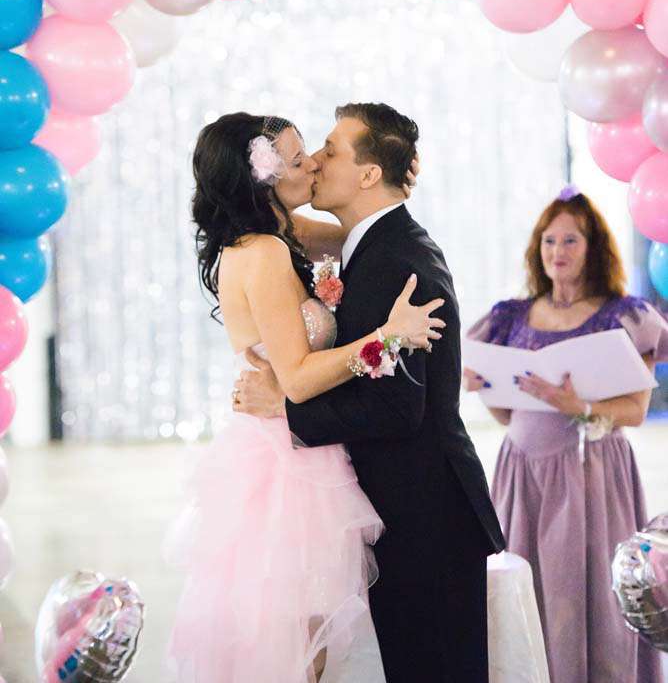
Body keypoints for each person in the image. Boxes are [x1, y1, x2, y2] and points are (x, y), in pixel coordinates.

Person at [164, 111, 444, 683]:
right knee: (298, 647)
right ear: (263, 181)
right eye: (297, 161)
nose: (314, 163)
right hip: (287, 469)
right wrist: (387, 338)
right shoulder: (264, 253)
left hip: (299, 443)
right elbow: (295, 379)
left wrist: (391, 179)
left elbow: (363, 234)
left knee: (307, 641)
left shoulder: (286, 233)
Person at [234, 102, 505, 683]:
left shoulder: (396, 260)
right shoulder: (370, 246)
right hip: (409, 513)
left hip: (426, 517)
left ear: (368, 175)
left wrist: (286, 410)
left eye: (331, 150)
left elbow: (398, 407)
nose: (316, 160)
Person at [464, 186, 668, 683]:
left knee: (590, 598)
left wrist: (579, 407)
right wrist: (483, 385)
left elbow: (636, 410)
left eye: (571, 240)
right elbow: (507, 415)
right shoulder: (510, 316)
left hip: (591, 474)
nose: (558, 251)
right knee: (527, 593)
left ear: (593, 247)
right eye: (549, 240)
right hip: (522, 472)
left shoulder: (624, 316)